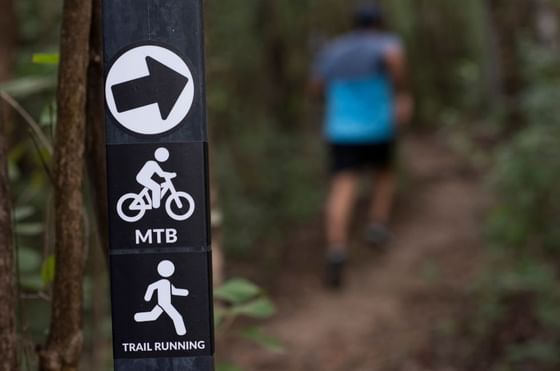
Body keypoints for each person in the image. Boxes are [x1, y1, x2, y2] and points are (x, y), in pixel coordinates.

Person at [310, 3, 413, 288]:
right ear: (379, 22)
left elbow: (316, 85)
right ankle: (377, 225)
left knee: (343, 187)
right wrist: (400, 91)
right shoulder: (386, 43)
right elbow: (394, 60)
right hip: (378, 127)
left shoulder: (333, 50)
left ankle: (336, 250)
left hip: (340, 130)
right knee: (384, 174)